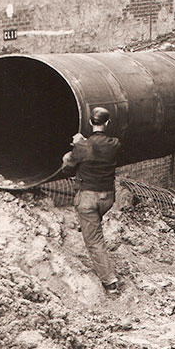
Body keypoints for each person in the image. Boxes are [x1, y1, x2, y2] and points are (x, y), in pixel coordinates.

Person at [61, 106, 122, 296]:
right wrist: (83, 144)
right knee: (92, 220)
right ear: (108, 123)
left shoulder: (82, 146)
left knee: (94, 242)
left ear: (89, 122)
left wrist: (73, 151)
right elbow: (99, 148)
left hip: (88, 199)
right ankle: (88, 224)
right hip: (107, 198)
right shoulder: (115, 144)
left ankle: (110, 283)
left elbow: (67, 169)